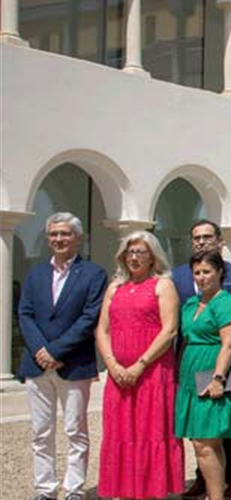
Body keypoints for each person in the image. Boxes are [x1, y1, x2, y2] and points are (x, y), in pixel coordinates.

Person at [18, 212, 108, 500]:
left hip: (74, 364)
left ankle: (73, 489)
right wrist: (41, 351)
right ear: (48, 239)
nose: (59, 239)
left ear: (78, 238)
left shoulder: (94, 274)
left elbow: (90, 316)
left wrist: (56, 351)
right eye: (54, 234)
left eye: (65, 233)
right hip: (36, 364)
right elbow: (25, 314)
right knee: (40, 433)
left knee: (75, 431)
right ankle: (44, 489)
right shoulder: (36, 273)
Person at [96, 231, 185, 498]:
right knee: (120, 430)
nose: (134, 258)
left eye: (140, 252)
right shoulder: (114, 287)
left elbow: (169, 330)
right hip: (118, 374)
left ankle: (152, 489)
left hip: (152, 373)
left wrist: (140, 364)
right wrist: (112, 365)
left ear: (152, 257)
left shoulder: (163, 285)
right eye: (130, 252)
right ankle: (124, 489)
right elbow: (102, 330)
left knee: (151, 430)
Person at [172, 219, 231, 499]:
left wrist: (218, 378)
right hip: (190, 375)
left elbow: (229, 344)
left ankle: (217, 495)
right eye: (197, 273)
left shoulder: (225, 301)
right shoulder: (192, 304)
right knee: (199, 441)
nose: (202, 277)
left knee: (207, 443)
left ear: (219, 272)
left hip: (212, 372)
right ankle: (211, 492)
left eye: (207, 271)